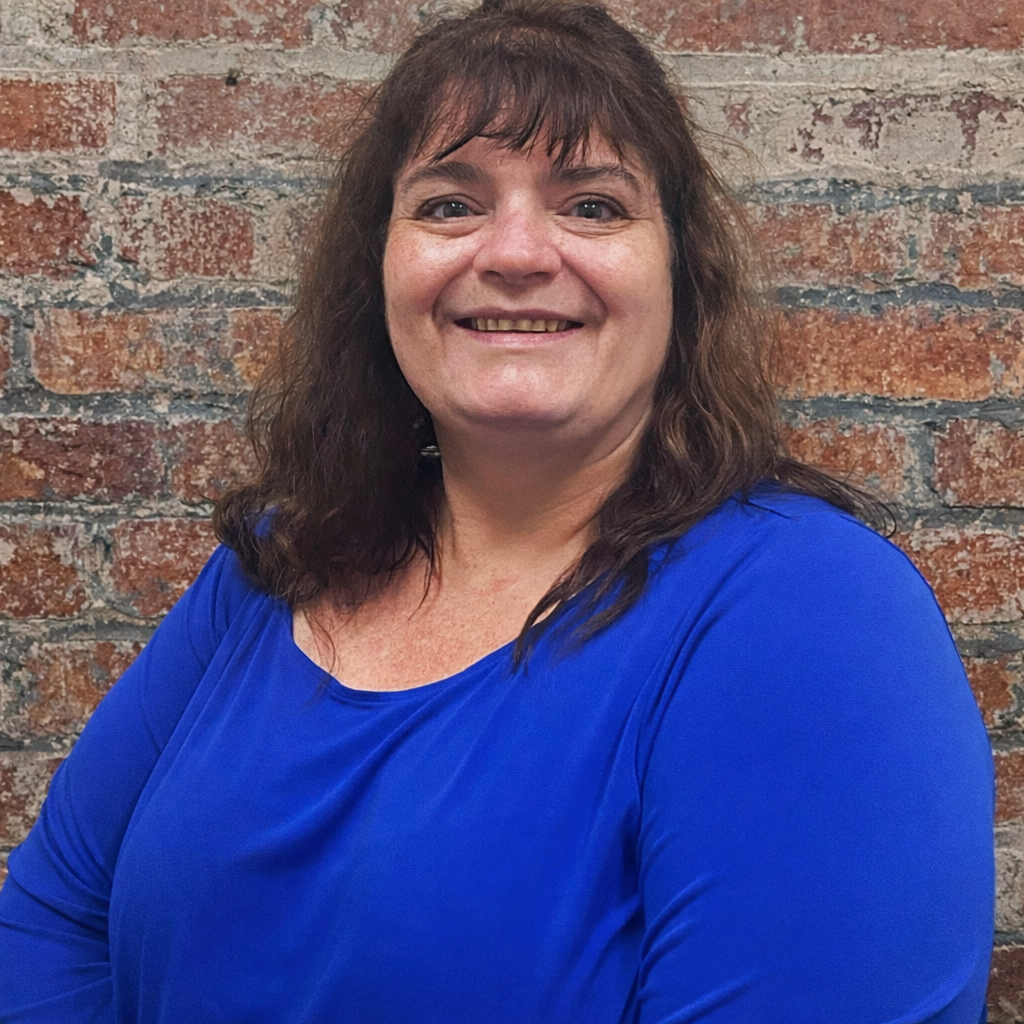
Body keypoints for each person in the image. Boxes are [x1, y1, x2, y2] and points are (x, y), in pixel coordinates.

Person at [0, 0, 994, 1021]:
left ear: (680, 276)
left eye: (592, 206)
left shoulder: (808, 612)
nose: (515, 252)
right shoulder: (274, 566)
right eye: (448, 205)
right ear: (378, 270)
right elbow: (51, 919)